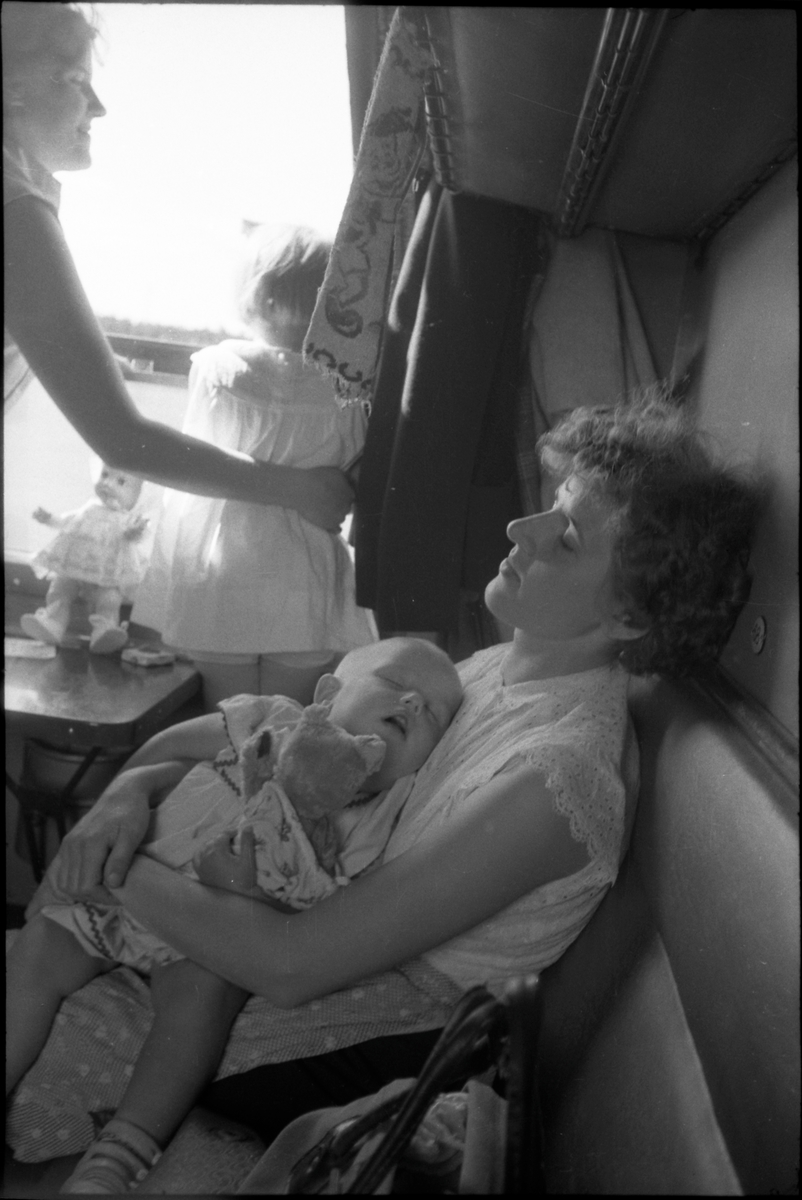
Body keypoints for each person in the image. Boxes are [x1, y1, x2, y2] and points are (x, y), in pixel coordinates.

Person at [10, 393, 759, 1169]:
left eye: (565, 537)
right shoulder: (496, 670)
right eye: (551, 505)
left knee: (37, 1037)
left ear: (631, 618)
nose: (520, 528)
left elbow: (292, 965)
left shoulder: (558, 779)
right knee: (40, 963)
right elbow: (282, 742)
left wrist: (111, 861)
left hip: (338, 1024)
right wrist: (127, 798)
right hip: (263, 919)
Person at [6, 637, 463, 1193]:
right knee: (41, 945)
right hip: (125, 894)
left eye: (433, 713)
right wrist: (127, 792)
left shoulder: (379, 819)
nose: (413, 703)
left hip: (205, 940)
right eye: (396, 685)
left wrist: (243, 892)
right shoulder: (270, 719)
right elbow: (170, 754)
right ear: (328, 693)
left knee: (202, 1000)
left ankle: (115, 1160)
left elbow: (313, 911)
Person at [3, 3, 351, 537]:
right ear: (11, 88)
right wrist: (300, 489)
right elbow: (122, 440)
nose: (99, 106)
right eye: (75, 80)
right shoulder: (16, 211)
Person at [132, 224, 376, 710]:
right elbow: (352, 472)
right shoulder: (346, 388)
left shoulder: (218, 368)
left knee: (228, 720)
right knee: (287, 721)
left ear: (261, 298)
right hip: (305, 580)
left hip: (223, 578)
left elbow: (191, 474)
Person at [21, 460, 149, 654]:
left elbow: (135, 538)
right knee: (60, 587)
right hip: (75, 568)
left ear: (136, 492)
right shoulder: (90, 508)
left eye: (121, 482)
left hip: (107, 574)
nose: (107, 484)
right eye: (104, 475)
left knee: (110, 599)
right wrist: (49, 519)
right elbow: (68, 521)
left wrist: (135, 531)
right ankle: (53, 622)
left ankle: (105, 631)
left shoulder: (127, 519)